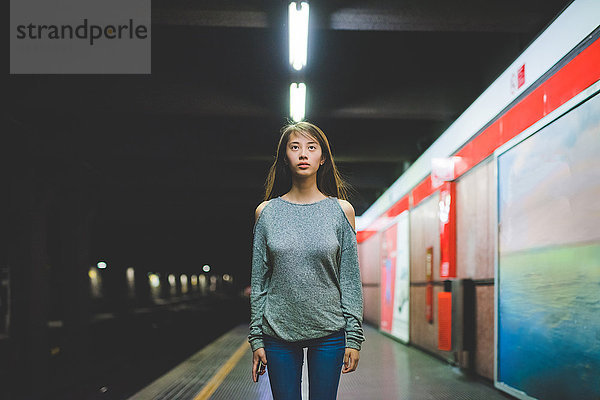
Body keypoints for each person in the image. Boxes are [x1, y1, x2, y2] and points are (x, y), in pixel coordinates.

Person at [248, 121, 365, 400]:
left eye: (311, 147)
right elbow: (259, 281)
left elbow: (349, 280)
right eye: (295, 147)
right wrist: (256, 338)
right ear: (285, 158)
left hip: (330, 332)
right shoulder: (266, 213)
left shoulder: (341, 211)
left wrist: (354, 336)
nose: (303, 154)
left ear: (322, 158)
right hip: (278, 333)